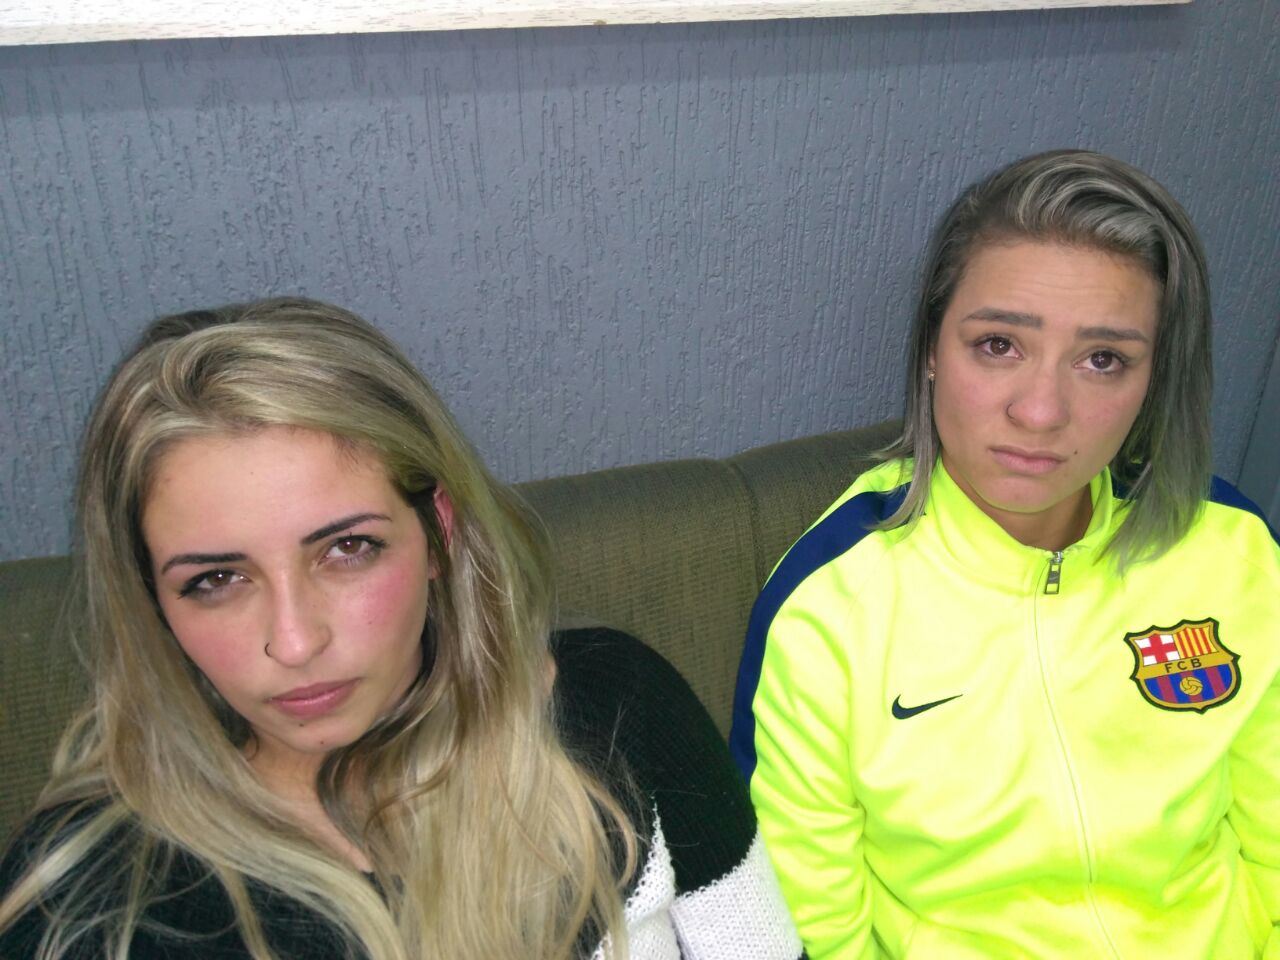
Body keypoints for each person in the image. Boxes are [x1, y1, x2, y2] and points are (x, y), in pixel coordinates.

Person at [0, 298, 803, 960]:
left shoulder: (619, 705)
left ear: (438, 534)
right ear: (150, 598)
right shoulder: (90, 908)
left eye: (347, 549)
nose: (294, 642)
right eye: (216, 580)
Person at [730, 150, 1280, 959]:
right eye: (998, 345)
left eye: (1103, 359)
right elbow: (815, 926)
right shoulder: (828, 606)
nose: (1041, 410)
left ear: (1154, 378)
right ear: (931, 349)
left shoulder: (1232, 547)